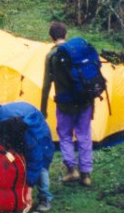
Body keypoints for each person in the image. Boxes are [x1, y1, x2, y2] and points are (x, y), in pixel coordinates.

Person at [39, 21, 95, 187]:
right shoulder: (78, 51)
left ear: (51, 37)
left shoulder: (52, 56)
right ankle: (86, 175)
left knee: (65, 135)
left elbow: (46, 85)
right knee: (84, 135)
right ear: (66, 34)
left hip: (64, 104)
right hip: (84, 102)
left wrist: (43, 109)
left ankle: (72, 171)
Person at [0, 101, 54, 212]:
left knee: (41, 167)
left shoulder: (26, 131)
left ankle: (45, 198)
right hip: (21, 129)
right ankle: (17, 190)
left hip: (39, 134)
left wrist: (29, 190)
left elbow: (35, 159)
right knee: (17, 159)